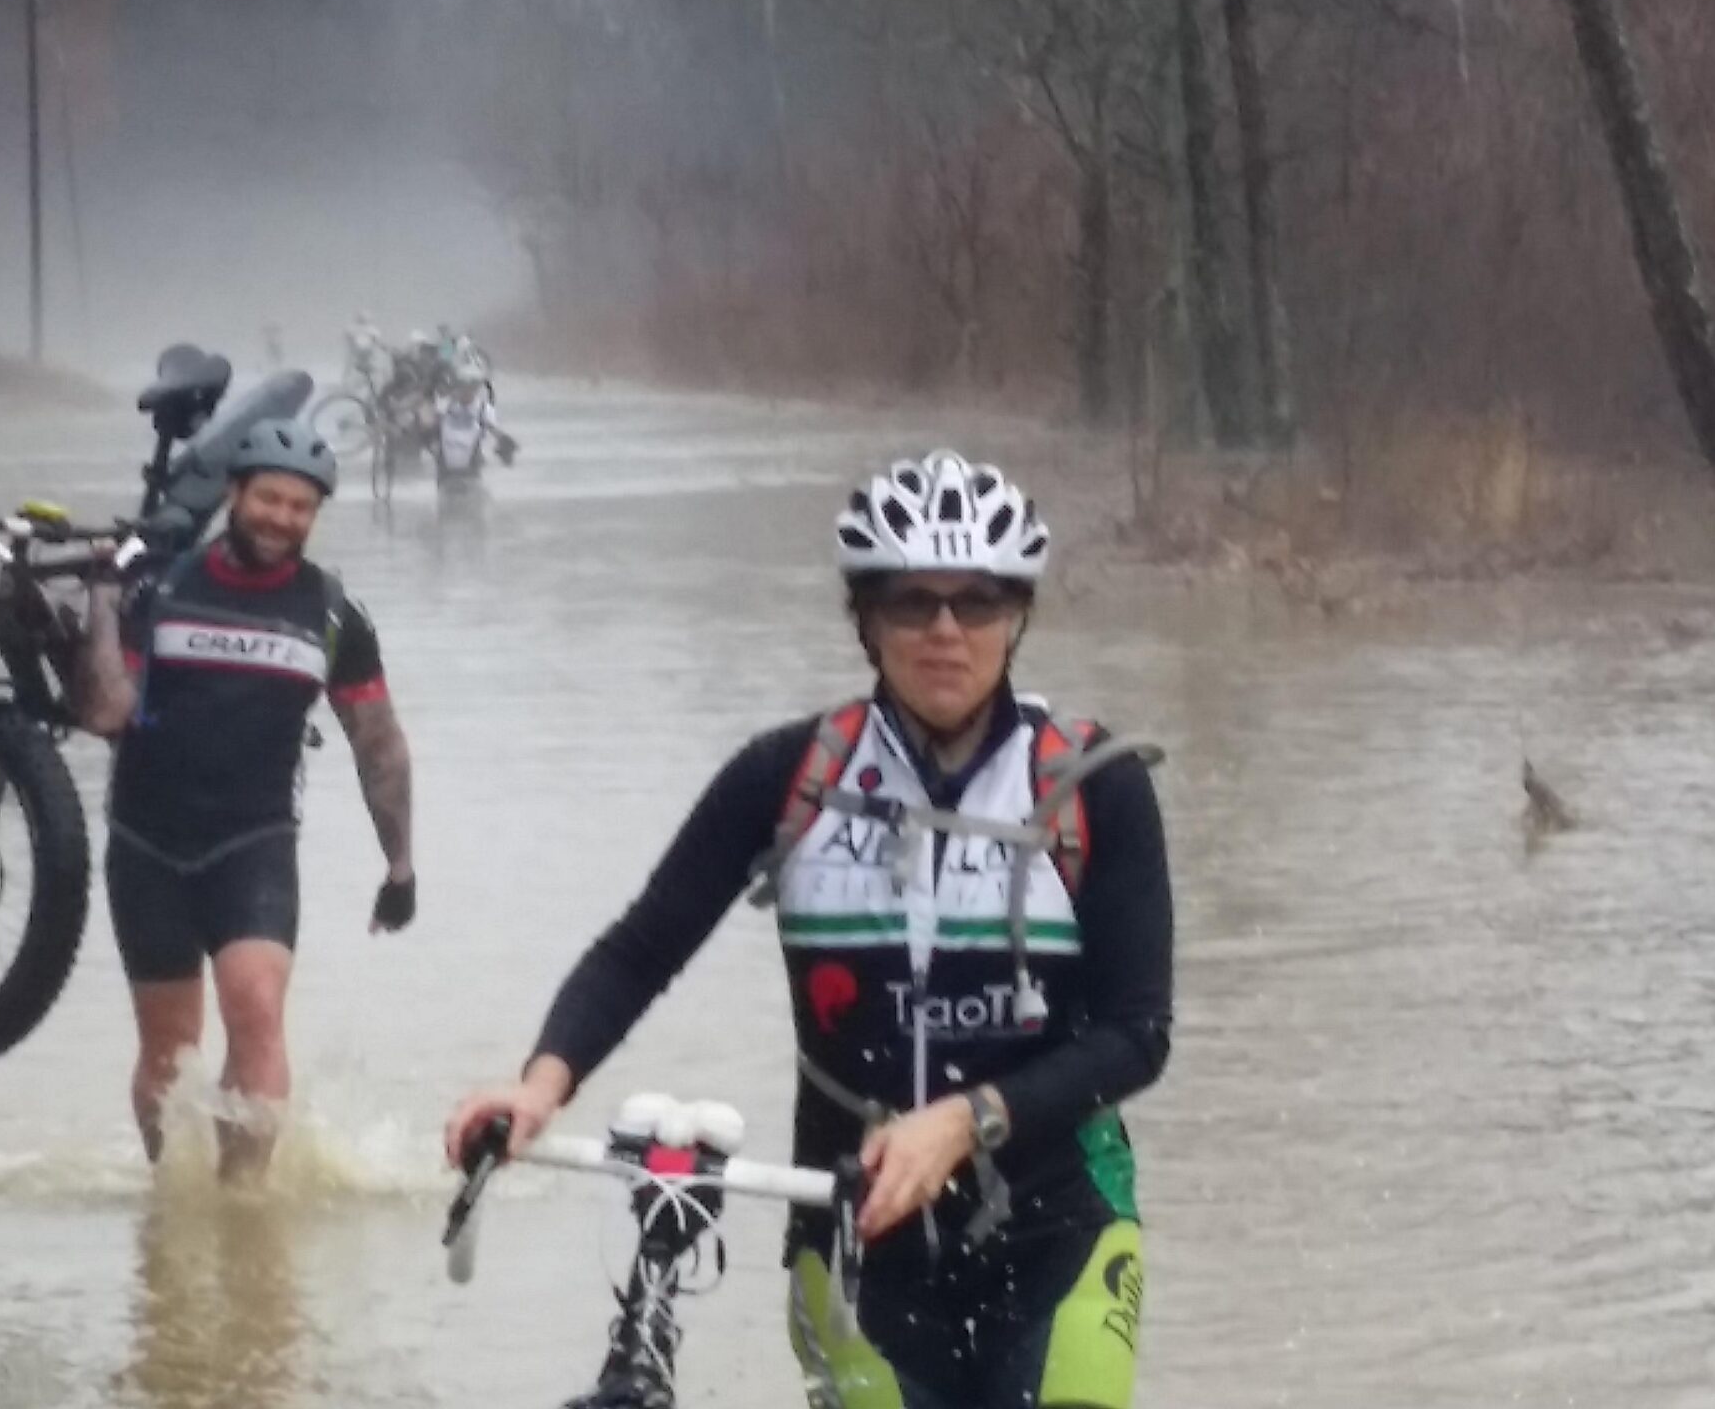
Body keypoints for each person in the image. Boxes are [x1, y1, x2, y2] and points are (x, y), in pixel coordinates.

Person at [443, 450, 1173, 1409]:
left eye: (977, 602)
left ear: (1017, 615)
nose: (945, 631)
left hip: (1059, 1229)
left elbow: (1136, 1034)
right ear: (865, 620)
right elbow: (643, 947)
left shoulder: (1096, 787)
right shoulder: (787, 779)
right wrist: (539, 1085)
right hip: (852, 1236)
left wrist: (964, 1120)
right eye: (911, 602)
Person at [78, 418, 418, 1179]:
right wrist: (104, 597)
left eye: (301, 507)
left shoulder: (331, 613)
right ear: (234, 494)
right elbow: (103, 712)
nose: (282, 519)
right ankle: (172, 1196)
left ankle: (244, 1207)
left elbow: (379, 743)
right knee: (168, 1050)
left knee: (257, 1012)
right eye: (269, 499)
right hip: (146, 842)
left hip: (253, 842)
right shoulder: (160, 588)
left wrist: (400, 866)